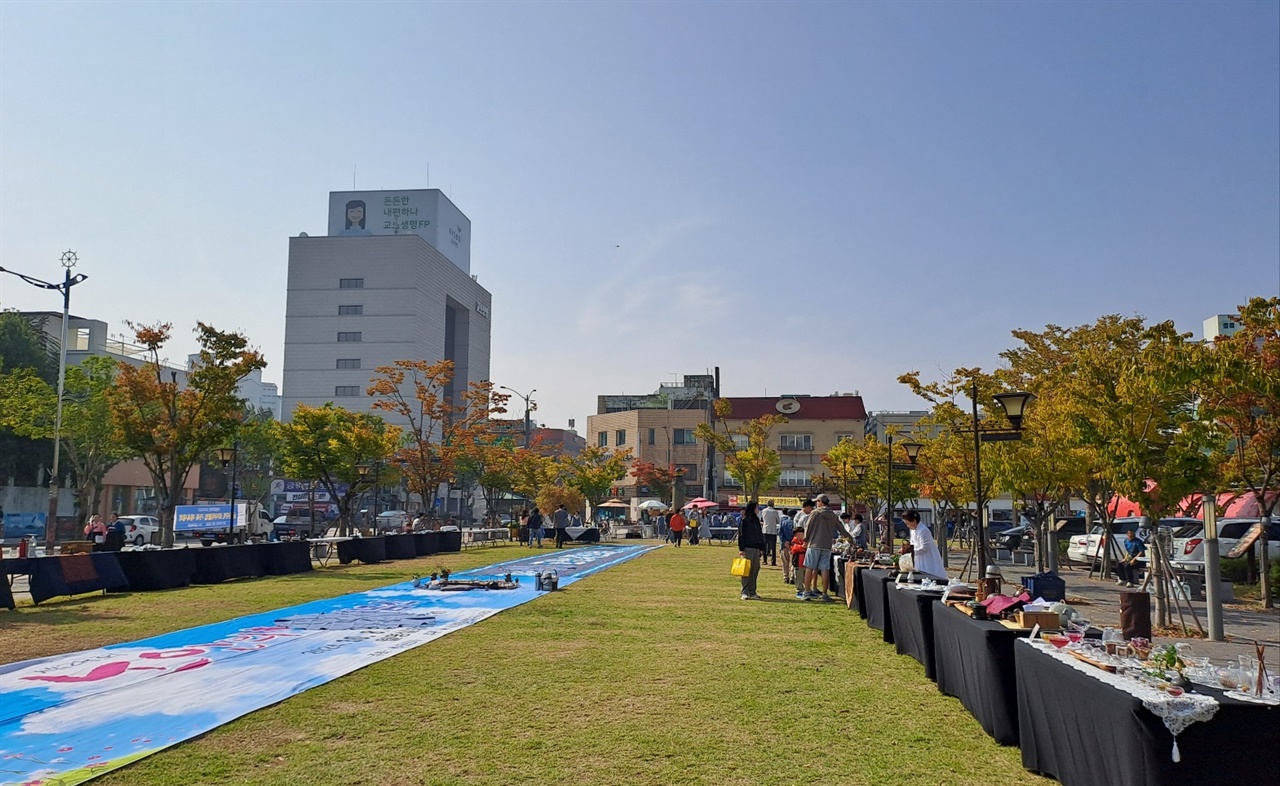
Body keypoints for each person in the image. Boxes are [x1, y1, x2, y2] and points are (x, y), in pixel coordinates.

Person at [799, 497, 852, 602]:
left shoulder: (815, 513)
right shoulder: (832, 515)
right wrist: (851, 539)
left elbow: (808, 527)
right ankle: (824, 593)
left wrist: (805, 539)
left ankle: (807, 592)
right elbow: (841, 529)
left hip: (814, 544)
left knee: (809, 568)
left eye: (817, 502)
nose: (816, 504)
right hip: (826, 546)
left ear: (821, 502)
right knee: (825, 569)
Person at [900, 511, 946, 579]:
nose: (907, 526)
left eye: (908, 524)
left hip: (927, 557)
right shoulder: (913, 530)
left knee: (929, 574)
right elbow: (912, 543)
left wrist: (910, 552)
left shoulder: (923, 530)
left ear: (914, 521)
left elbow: (924, 548)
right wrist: (906, 549)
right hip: (917, 557)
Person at [737, 501, 766, 600]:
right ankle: (744, 591)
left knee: (755, 570)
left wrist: (761, 548)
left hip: (756, 548)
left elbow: (759, 534)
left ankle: (752, 591)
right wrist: (741, 549)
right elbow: (741, 535)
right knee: (746, 570)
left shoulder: (756, 520)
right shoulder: (744, 520)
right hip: (747, 548)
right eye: (757, 508)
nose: (758, 510)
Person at [778, 509, 796, 584]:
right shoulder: (795, 523)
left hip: (784, 544)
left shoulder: (783, 522)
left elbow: (780, 532)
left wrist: (784, 541)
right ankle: (792, 576)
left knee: (785, 562)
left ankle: (786, 577)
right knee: (793, 562)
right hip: (793, 544)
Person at [760, 502, 781, 566]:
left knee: (764, 546)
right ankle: (773, 561)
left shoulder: (763, 511)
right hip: (773, 531)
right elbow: (778, 521)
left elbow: (763, 519)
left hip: (765, 530)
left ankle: (765, 560)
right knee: (773, 547)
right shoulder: (775, 511)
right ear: (773, 505)